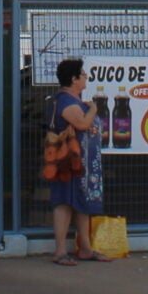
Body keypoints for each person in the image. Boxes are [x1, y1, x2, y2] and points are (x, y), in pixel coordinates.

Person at [44, 57, 105, 265]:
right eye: (83, 74)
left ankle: (86, 248)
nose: (86, 77)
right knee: (64, 203)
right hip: (70, 162)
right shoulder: (67, 103)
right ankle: (60, 251)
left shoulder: (72, 101)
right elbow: (81, 124)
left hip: (81, 163)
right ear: (73, 79)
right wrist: (94, 109)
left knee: (81, 202)